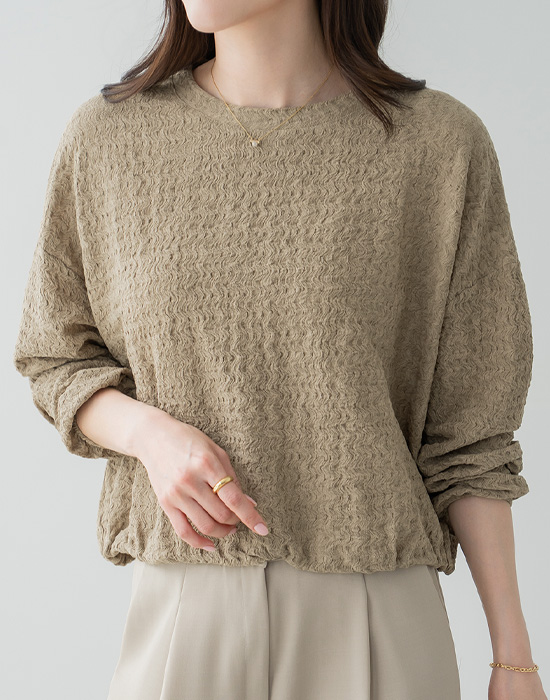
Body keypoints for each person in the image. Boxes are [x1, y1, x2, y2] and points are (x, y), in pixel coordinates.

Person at [12, 1, 546, 699]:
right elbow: (56, 357)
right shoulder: (108, 139)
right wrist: (151, 436)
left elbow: (472, 436)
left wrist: (514, 657)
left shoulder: (438, 145)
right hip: (184, 610)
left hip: (375, 611)